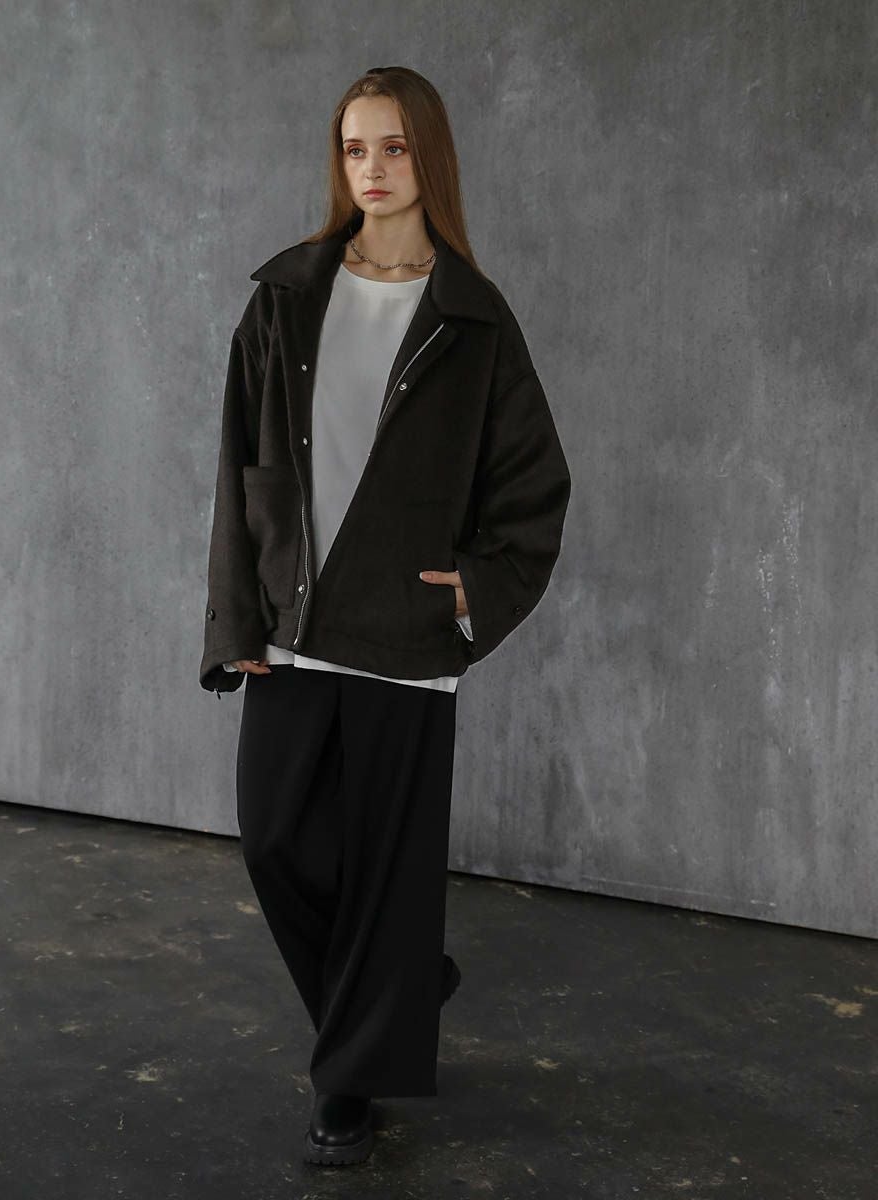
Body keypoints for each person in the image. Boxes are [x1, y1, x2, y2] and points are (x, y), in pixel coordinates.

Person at [200, 65, 572, 1166]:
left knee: (383, 871)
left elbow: (534, 486)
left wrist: (477, 589)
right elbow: (236, 468)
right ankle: (398, 989)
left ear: (430, 158)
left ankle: (348, 1083)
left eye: (395, 147)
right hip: (296, 624)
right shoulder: (284, 296)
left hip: (406, 645)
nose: (372, 168)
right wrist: (234, 624)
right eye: (355, 148)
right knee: (276, 839)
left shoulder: (473, 319)